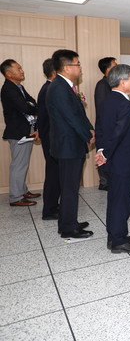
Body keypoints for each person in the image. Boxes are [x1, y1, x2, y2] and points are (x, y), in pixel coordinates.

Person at [95, 64, 130, 253]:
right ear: (123, 82)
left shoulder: (108, 101)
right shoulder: (123, 103)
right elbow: (118, 133)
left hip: (113, 160)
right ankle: (119, 241)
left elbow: (99, 127)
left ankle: (115, 234)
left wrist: (101, 151)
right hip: (123, 161)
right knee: (122, 201)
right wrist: (105, 153)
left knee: (115, 199)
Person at [46, 49, 94, 239]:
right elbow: (71, 118)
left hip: (70, 145)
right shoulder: (59, 88)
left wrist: (89, 128)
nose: (80, 68)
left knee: (70, 187)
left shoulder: (65, 85)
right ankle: (68, 229)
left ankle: (67, 221)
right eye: (77, 64)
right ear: (67, 67)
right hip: (68, 146)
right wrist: (87, 136)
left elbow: (79, 114)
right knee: (69, 188)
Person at [1, 59, 40, 207]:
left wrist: (31, 105)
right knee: (18, 164)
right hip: (18, 132)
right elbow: (26, 107)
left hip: (25, 130)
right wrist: (30, 106)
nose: (22, 71)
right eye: (18, 69)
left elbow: (33, 102)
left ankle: (22, 191)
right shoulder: (8, 89)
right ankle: (15, 197)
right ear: (9, 73)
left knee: (23, 163)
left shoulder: (18, 87)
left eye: (21, 68)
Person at [37, 59, 60, 220]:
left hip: (50, 138)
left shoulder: (50, 88)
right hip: (51, 139)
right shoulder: (49, 89)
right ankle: (50, 210)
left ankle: (53, 206)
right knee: (53, 174)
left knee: (55, 174)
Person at [94, 57, 117, 191]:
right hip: (106, 128)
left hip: (111, 127)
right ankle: (105, 182)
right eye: (115, 65)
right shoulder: (102, 85)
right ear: (108, 68)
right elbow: (103, 109)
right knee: (104, 152)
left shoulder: (112, 84)